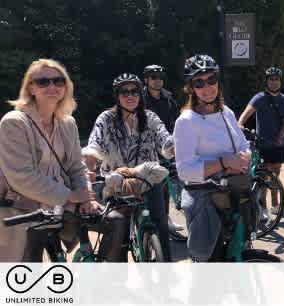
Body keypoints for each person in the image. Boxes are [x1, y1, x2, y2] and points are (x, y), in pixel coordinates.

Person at [0, 59, 105, 261]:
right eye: (43, 81)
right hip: (23, 208)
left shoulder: (68, 122)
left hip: (62, 203)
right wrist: (70, 196)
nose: (52, 86)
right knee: (27, 274)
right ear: (31, 87)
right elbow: (22, 176)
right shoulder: (14, 123)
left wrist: (87, 197)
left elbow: (77, 166)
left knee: (114, 221)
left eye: (58, 81)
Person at [83, 73, 174, 262]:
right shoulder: (106, 119)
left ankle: (167, 271)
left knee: (160, 224)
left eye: (134, 91)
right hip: (117, 182)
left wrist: (179, 147)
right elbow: (93, 146)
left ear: (140, 94)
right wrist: (90, 174)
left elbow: (165, 141)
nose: (130, 96)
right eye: (124, 92)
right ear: (117, 95)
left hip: (147, 179)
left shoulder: (150, 117)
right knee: (119, 233)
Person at [173, 54, 251, 262]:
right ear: (191, 88)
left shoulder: (227, 112)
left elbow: (243, 144)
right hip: (205, 200)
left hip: (232, 193)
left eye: (211, 80)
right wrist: (225, 163)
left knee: (238, 253)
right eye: (199, 82)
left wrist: (245, 157)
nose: (207, 87)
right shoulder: (187, 121)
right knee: (211, 264)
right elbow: (185, 171)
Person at [238, 67, 284, 216]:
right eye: (271, 79)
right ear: (267, 82)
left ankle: (275, 205)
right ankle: (262, 207)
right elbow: (246, 113)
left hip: (278, 143)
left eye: (276, 79)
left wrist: (281, 136)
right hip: (262, 142)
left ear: (280, 81)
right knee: (263, 176)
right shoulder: (260, 98)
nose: (274, 82)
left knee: (275, 174)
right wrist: (240, 124)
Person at [141, 64, 184, 236]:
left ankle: (165, 219)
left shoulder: (168, 98)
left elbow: (177, 120)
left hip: (166, 148)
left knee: (164, 186)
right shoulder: (140, 98)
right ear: (146, 80)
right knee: (147, 187)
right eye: (153, 77)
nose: (157, 80)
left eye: (159, 77)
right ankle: (147, 221)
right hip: (146, 150)